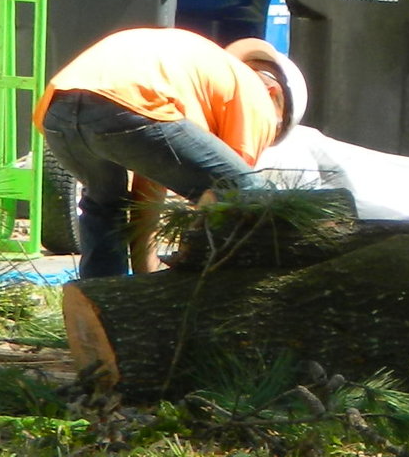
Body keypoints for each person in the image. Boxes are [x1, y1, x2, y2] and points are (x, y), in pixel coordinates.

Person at [37, 28, 305, 278]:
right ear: (274, 93)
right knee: (247, 191)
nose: (266, 134)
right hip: (130, 103)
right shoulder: (255, 93)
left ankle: (104, 303)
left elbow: (147, 200)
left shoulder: (202, 73)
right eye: (274, 129)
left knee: (105, 205)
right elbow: (233, 193)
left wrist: (146, 275)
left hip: (58, 107)